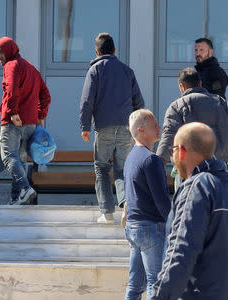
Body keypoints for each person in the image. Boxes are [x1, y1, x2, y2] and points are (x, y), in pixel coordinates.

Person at [151, 122, 228, 300]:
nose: (173, 156)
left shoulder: (198, 186)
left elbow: (181, 250)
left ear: (182, 151)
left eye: (173, 150)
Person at [80, 32, 145, 224]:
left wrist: (85, 126)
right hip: (126, 128)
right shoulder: (127, 71)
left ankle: (107, 213)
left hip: (104, 127)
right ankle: (125, 201)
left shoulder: (95, 70)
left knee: (101, 168)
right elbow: (139, 102)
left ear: (97, 51)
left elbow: (86, 101)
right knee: (122, 169)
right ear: (115, 50)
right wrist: (137, 128)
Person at [0, 36, 51, 205]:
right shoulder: (31, 68)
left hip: (12, 121)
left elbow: (11, 90)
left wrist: (12, 112)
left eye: (1, 53)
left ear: (10, 50)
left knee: (8, 156)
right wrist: (40, 115)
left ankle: (25, 189)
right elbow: (46, 95)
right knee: (20, 160)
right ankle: (16, 198)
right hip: (30, 123)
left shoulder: (11, 66)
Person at [123, 109, 171, 300]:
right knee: (155, 283)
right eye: (154, 126)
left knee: (135, 285)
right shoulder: (151, 159)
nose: (159, 128)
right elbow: (161, 200)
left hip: (133, 227)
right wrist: (174, 224)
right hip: (150, 227)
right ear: (141, 130)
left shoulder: (131, 157)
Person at [156, 67, 228, 192]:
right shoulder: (220, 102)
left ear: (181, 86)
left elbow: (169, 136)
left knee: (185, 207)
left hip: (189, 170)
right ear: (200, 83)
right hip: (219, 168)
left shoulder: (177, 106)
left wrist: (157, 163)